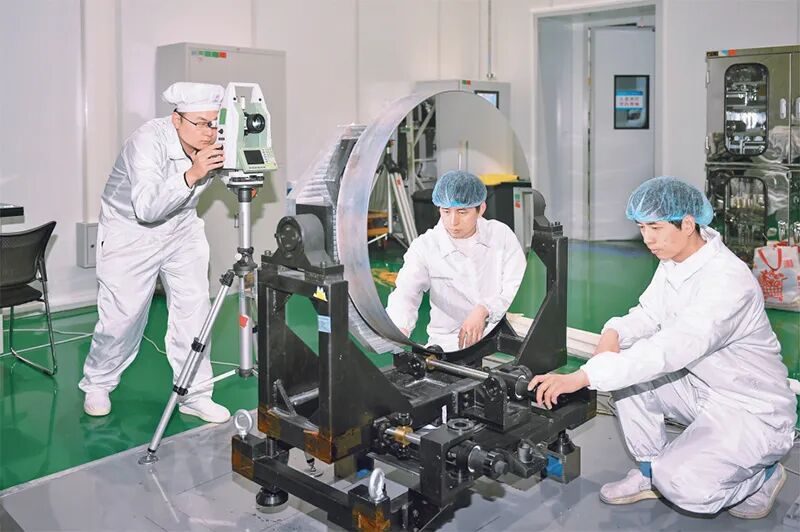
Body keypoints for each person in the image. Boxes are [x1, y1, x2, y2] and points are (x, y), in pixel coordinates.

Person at [527, 176, 797, 519]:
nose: (647, 239)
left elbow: (669, 349)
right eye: (642, 228)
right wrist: (614, 332)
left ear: (688, 224)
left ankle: (763, 476)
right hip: (702, 387)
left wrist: (582, 376)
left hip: (750, 408)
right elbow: (649, 313)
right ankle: (649, 472)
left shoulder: (728, 282)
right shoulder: (675, 260)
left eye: (655, 228)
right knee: (629, 377)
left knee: (683, 486)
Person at [80, 82, 231, 423]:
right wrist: (193, 173)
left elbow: (231, 173)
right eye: (201, 123)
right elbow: (147, 209)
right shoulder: (147, 141)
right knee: (122, 317)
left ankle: (194, 393)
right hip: (131, 231)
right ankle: (98, 383)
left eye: (214, 123)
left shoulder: (212, 138)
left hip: (182, 227)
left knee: (195, 310)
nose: (209, 132)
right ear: (177, 119)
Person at [386, 170, 527, 351]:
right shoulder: (425, 246)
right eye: (446, 211)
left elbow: (516, 287)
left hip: (498, 335)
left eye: (462, 212)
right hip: (448, 343)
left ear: (481, 209)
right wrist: (399, 328)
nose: (453, 222)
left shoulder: (501, 236)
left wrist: (485, 309)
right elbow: (406, 293)